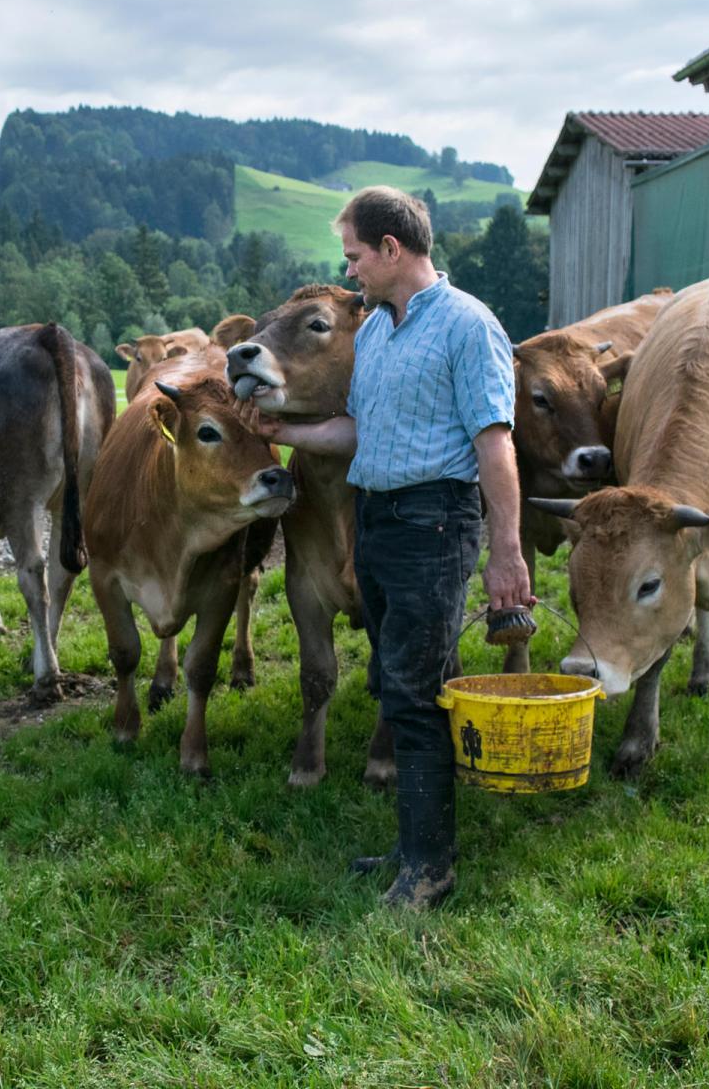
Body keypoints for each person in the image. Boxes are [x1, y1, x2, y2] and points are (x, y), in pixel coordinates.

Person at [238, 186, 533, 910]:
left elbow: (495, 443)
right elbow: (356, 432)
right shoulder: (377, 334)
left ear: (392, 249)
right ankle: (412, 846)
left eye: (356, 257)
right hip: (376, 516)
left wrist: (508, 551)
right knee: (397, 683)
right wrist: (287, 436)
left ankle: (432, 867)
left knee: (417, 688)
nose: (352, 273)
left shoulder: (469, 326)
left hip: (436, 521)